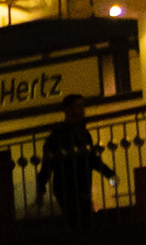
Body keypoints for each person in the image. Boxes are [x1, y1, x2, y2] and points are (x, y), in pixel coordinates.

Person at [40, 97, 115, 227]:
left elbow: (91, 158)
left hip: (80, 185)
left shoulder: (83, 134)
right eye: (78, 107)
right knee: (79, 220)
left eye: (82, 107)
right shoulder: (59, 135)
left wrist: (108, 173)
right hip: (67, 186)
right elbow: (48, 164)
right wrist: (41, 187)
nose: (82, 111)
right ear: (67, 110)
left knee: (79, 221)